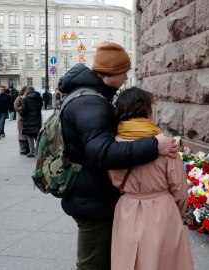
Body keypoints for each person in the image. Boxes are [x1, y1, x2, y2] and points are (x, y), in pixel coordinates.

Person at [58, 41, 177, 270]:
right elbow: (102, 153)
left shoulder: (90, 96)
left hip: (90, 192)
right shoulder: (90, 103)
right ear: (112, 72)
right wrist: (154, 145)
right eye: (124, 71)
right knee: (93, 264)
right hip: (93, 198)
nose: (126, 77)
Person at [108, 87, 193, 270]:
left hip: (127, 208)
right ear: (147, 111)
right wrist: (176, 214)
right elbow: (179, 189)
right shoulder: (164, 143)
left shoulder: (112, 145)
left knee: (128, 260)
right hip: (162, 209)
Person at [19, 87, 43, 158]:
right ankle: (39, 150)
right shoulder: (39, 98)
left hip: (28, 119)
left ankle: (32, 151)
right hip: (37, 118)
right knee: (37, 136)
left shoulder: (25, 99)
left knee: (30, 136)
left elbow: (23, 110)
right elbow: (40, 106)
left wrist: (21, 114)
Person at [14, 86, 30, 155]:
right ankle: (23, 149)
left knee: (28, 135)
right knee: (22, 134)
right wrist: (23, 107)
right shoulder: (19, 98)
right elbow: (16, 107)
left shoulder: (29, 98)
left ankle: (29, 148)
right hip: (22, 118)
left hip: (29, 118)